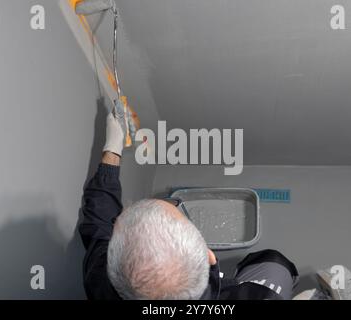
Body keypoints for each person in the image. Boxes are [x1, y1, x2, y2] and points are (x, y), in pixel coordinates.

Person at [79, 111, 299, 300]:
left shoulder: (101, 282)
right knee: (275, 262)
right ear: (209, 256)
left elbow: (99, 222)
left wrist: (113, 148)